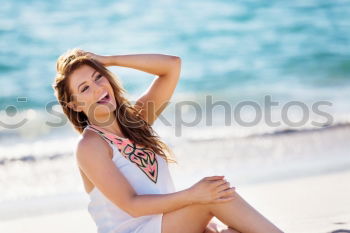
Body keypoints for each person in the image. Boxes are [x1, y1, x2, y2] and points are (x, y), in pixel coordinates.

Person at [52, 48, 283, 233]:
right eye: (85, 88)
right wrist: (193, 196)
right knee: (216, 196)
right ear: (75, 105)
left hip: (165, 226)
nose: (98, 88)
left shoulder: (136, 121)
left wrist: (109, 59)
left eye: (98, 77)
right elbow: (132, 204)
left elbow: (172, 66)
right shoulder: (91, 145)